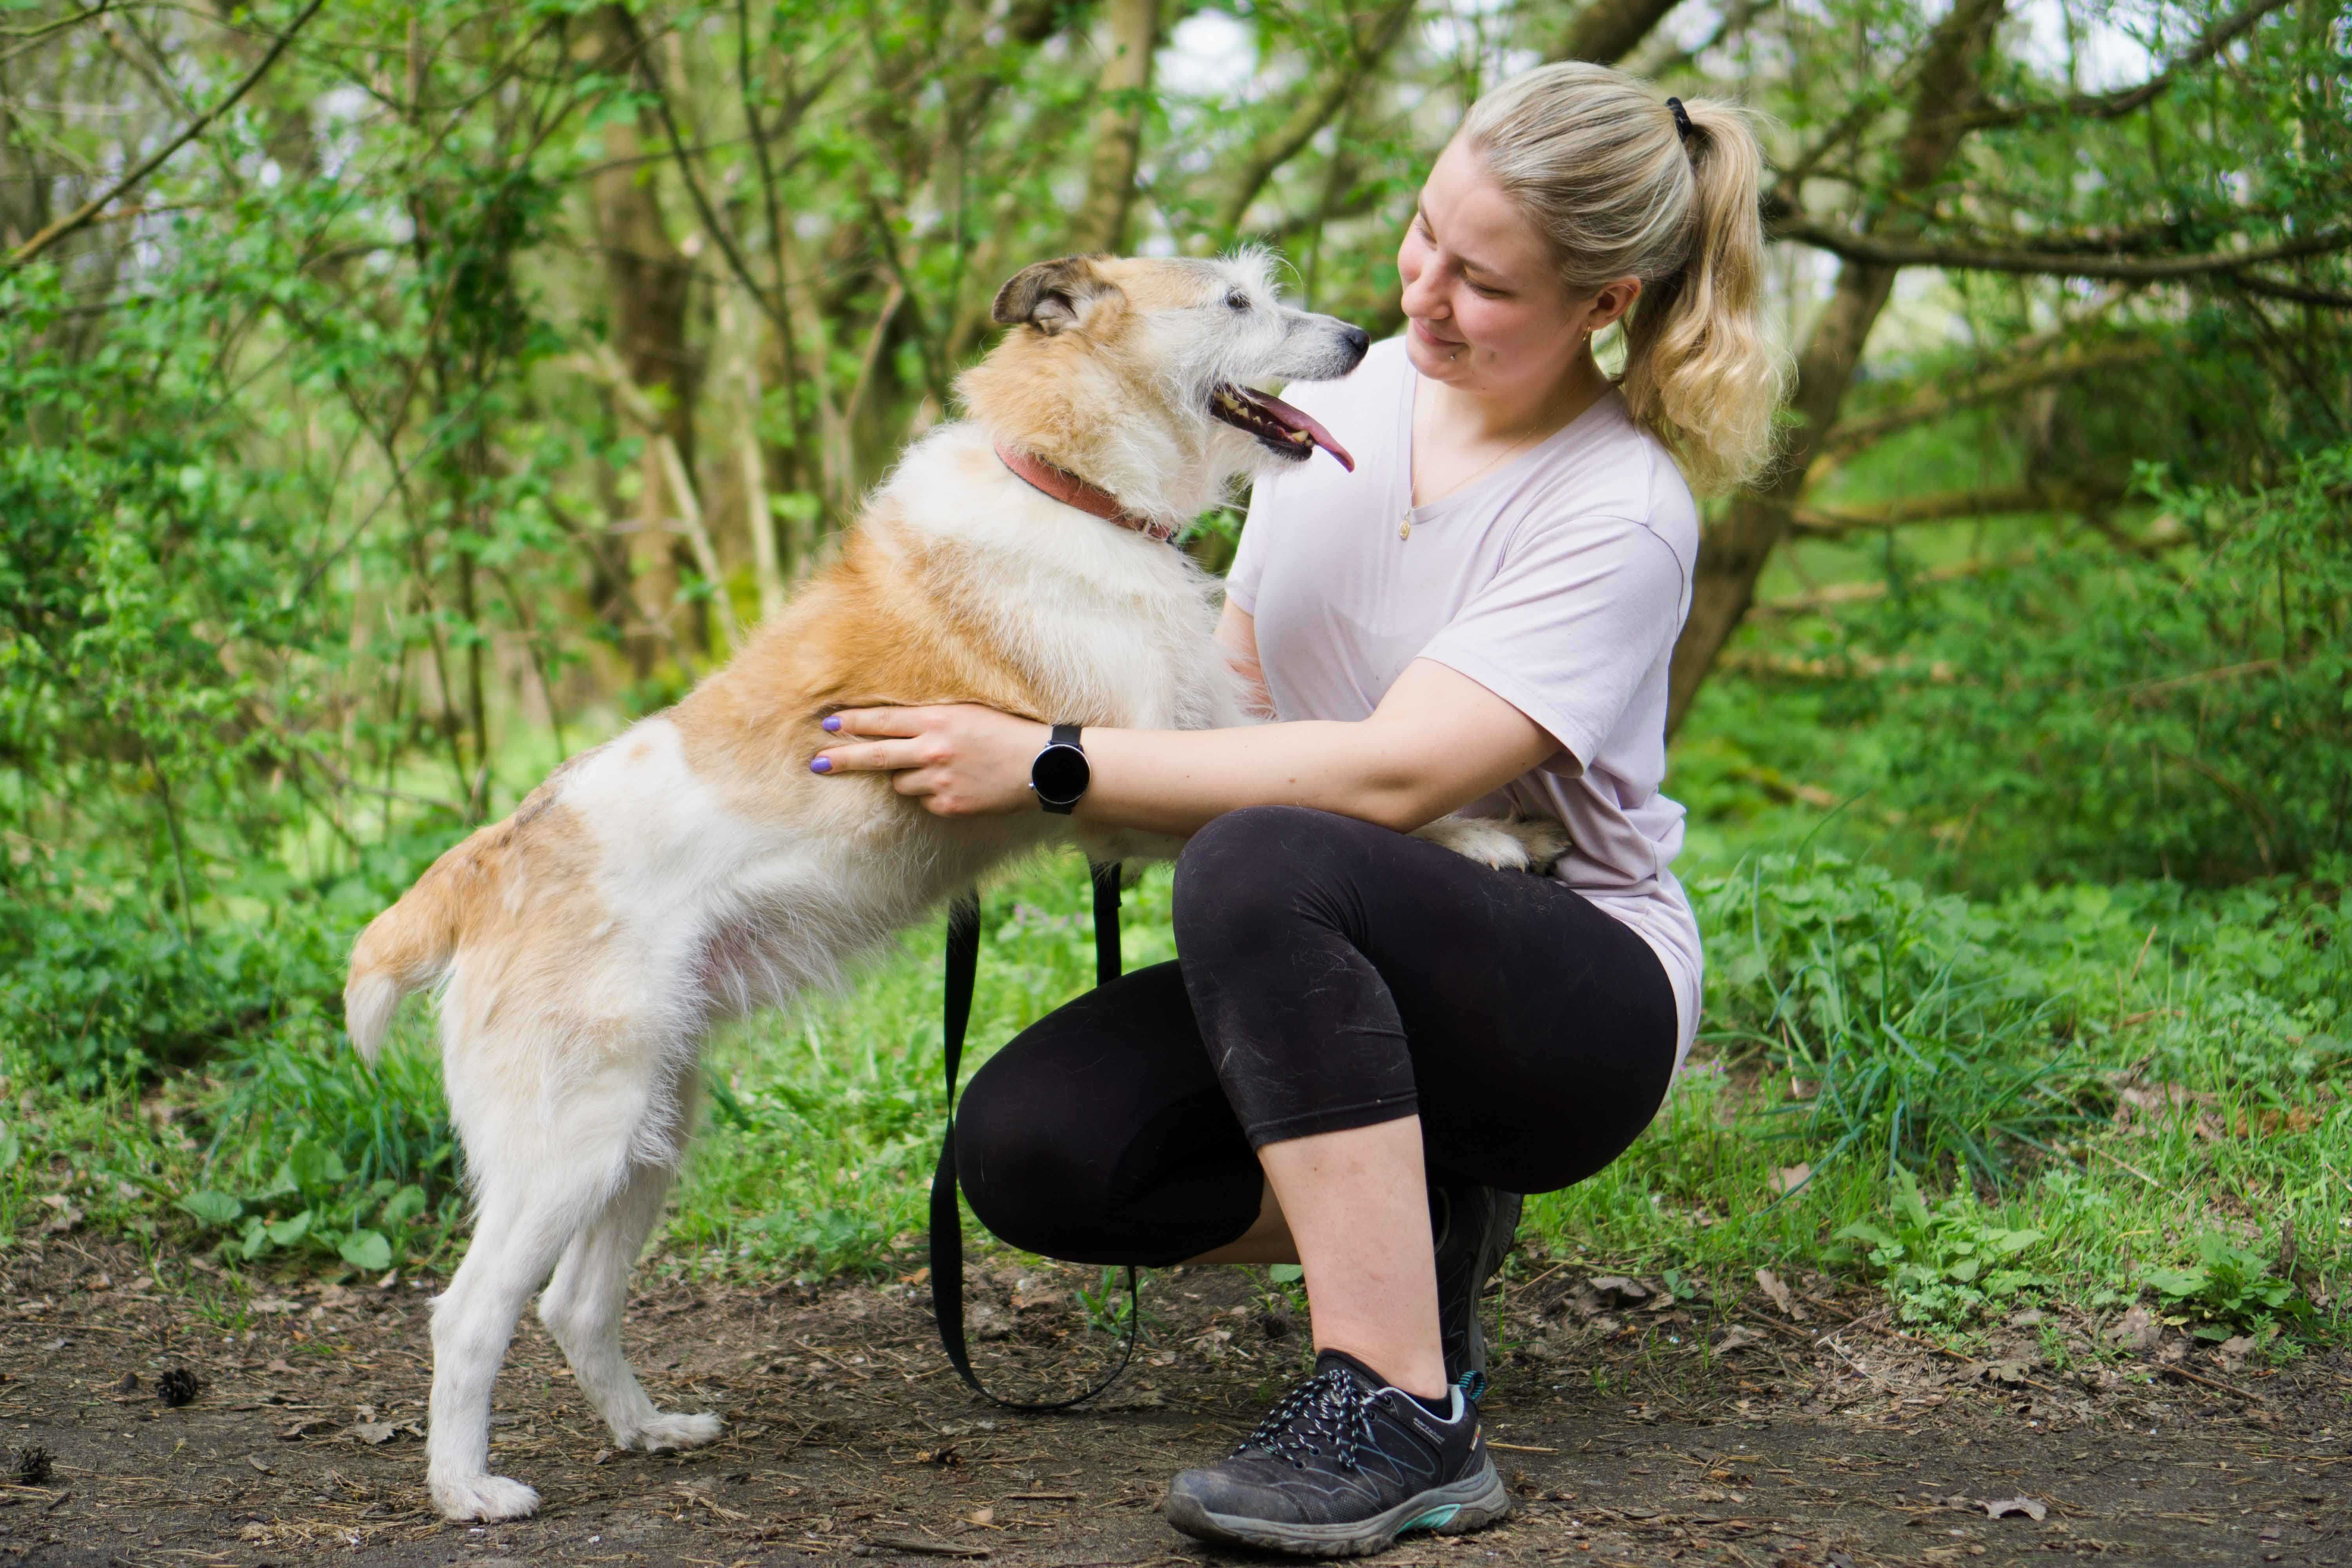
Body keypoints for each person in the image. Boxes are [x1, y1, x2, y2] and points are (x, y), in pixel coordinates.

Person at [812, 60, 1783, 1558]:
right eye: (1423, 239)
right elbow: (1240, 686)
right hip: (1326, 928)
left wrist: (1052, 761)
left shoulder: (1622, 507)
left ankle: (1403, 1410)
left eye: (1485, 283)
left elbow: (1394, 778)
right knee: (1033, 1151)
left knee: (1271, 851)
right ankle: (1417, 1205)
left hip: (1567, 983)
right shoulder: (1331, 404)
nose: (1427, 295)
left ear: (1607, 304)